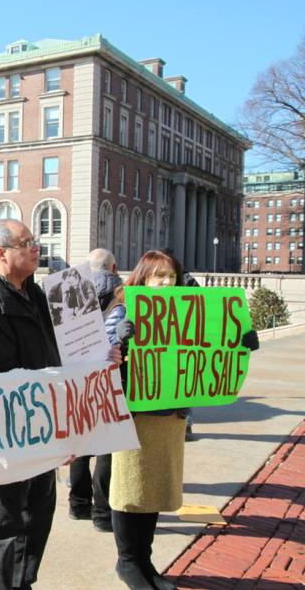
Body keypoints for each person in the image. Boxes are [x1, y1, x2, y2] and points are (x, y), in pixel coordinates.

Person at [0, 221, 120, 590]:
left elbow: (66, 353)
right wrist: (50, 430)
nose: (37, 248)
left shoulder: (36, 294)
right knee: (8, 526)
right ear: (1, 254)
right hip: (13, 439)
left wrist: (102, 356)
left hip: (46, 430)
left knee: (37, 517)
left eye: (35, 241)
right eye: (27, 243)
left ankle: (22, 582)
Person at [104, 249, 259, 590]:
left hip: (170, 416)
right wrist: (116, 341)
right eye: (158, 275)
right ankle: (128, 561)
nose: (166, 282)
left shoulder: (188, 311)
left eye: (171, 276)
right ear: (143, 277)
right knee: (131, 490)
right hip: (135, 416)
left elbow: (209, 342)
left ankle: (144, 560)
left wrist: (241, 341)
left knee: (155, 488)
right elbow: (96, 357)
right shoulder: (123, 309)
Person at [68, 248, 123, 532]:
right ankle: (102, 515)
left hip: (78, 378)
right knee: (106, 450)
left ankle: (78, 505)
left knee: (80, 444)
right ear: (113, 268)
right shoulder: (123, 298)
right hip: (111, 378)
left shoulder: (72, 294)